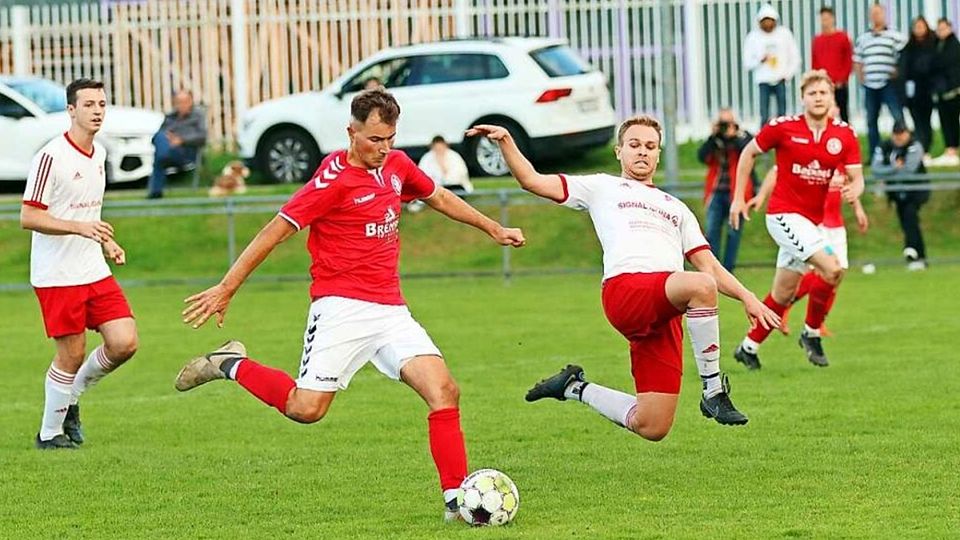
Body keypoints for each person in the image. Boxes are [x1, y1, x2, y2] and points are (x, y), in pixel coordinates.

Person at [173, 89, 525, 521]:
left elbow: (439, 197)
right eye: (375, 139)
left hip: (391, 311)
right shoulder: (331, 180)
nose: (384, 148)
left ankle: (457, 502)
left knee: (444, 391)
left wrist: (493, 228)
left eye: (390, 138)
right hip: (340, 308)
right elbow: (275, 231)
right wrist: (227, 287)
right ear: (352, 132)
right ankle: (229, 363)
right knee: (305, 410)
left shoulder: (395, 166)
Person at [467, 117, 780, 441]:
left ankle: (573, 387)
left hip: (665, 309)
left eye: (650, 146)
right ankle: (713, 390)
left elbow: (709, 266)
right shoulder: (602, 186)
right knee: (700, 286)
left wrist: (748, 297)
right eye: (634, 145)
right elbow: (532, 180)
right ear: (619, 151)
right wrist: (505, 141)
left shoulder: (677, 208)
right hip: (627, 291)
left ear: (658, 154)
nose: (642, 152)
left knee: (652, 425)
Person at [20, 78, 139, 450]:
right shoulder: (51, 156)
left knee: (124, 342)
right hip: (57, 274)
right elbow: (28, 216)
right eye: (88, 105)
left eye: (102, 104)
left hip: (92, 269)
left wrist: (107, 241)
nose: (97, 111)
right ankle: (49, 434)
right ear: (71, 110)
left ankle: (70, 398)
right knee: (70, 354)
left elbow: (90, 212)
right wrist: (79, 228)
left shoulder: (99, 154)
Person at [730, 70, 865, 369]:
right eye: (812, 93)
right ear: (802, 98)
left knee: (783, 293)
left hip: (811, 223)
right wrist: (739, 197)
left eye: (824, 93)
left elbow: (857, 177)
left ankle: (747, 347)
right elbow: (748, 154)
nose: (818, 98)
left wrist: (856, 189)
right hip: (783, 215)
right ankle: (811, 333)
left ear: (832, 97)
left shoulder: (844, 134)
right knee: (833, 269)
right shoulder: (783, 127)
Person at [696, 108, 756, 272]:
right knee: (712, 231)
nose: (726, 127)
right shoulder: (715, 140)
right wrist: (713, 136)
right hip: (716, 192)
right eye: (723, 123)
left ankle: (728, 270)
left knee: (733, 233)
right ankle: (713, 269)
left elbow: (750, 152)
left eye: (728, 122)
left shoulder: (743, 136)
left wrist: (734, 135)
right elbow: (702, 156)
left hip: (737, 193)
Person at [872, 120, 930, 270]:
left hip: (916, 190)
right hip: (897, 192)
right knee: (906, 220)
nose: (899, 138)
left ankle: (911, 249)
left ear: (908, 133)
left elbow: (909, 170)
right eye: (896, 134)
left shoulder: (914, 146)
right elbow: (876, 170)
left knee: (910, 215)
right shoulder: (884, 146)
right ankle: (919, 256)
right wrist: (894, 168)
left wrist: (889, 174)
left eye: (902, 133)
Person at [854, 3, 907, 157]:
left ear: (884, 15)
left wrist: (897, 72)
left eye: (879, 13)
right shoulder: (863, 38)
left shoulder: (895, 36)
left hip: (888, 84)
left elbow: (903, 56)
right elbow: (857, 59)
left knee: (897, 117)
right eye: (873, 13)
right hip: (870, 85)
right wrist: (861, 77)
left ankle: (902, 151)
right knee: (871, 120)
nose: (876, 16)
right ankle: (875, 154)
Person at [743, 4, 801, 127]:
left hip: (781, 79)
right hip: (763, 80)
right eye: (765, 21)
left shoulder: (784, 34)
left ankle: (783, 136)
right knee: (764, 114)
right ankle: (763, 139)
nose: (768, 24)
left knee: (782, 113)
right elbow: (747, 62)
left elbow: (794, 57)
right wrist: (760, 60)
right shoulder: (753, 37)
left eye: (770, 21)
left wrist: (787, 74)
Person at [147, 89, 207, 199]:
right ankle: (156, 193)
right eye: (178, 102)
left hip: (186, 152)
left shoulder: (197, 116)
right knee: (160, 137)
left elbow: (202, 137)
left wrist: (181, 140)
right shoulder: (170, 117)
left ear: (190, 102)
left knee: (159, 155)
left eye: (184, 101)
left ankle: (155, 193)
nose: (181, 105)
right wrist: (169, 140)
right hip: (168, 150)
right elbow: (156, 138)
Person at [900, 16, 937, 154]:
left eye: (921, 26)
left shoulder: (933, 44)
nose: (919, 30)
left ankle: (926, 146)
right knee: (916, 120)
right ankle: (920, 146)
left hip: (927, 90)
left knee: (926, 120)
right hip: (912, 90)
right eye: (916, 27)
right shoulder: (909, 47)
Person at [812, 6, 854, 121]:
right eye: (822, 19)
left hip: (840, 84)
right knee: (823, 114)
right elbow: (815, 62)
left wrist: (842, 79)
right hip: (824, 84)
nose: (824, 22)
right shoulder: (817, 40)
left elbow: (848, 60)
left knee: (843, 113)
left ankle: (846, 137)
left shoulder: (842, 37)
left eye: (827, 18)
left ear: (833, 19)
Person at [929, 18, 960, 167]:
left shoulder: (954, 46)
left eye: (943, 28)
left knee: (952, 121)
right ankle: (950, 149)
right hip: (940, 90)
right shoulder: (937, 45)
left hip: (952, 90)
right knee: (945, 121)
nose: (940, 31)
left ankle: (953, 150)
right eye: (938, 29)